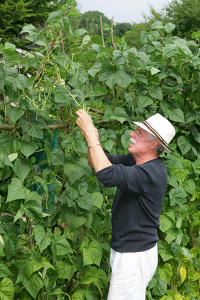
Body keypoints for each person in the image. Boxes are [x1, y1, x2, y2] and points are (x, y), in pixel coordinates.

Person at [76, 109, 176, 300]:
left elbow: (106, 175)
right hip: (128, 251)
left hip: (134, 256)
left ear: (154, 143)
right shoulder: (136, 161)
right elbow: (98, 163)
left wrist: (92, 135)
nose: (132, 133)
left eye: (139, 132)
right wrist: (90, 137)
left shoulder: (152, 173)